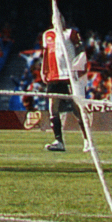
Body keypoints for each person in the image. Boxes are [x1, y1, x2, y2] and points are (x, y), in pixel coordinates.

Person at [37, 20, 89, 153]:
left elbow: (81, 51)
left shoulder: (70, 33)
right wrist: (44, 71)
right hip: (54, 77)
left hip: (69, 76)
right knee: (52, 107)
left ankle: (87, 140)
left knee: (77, 108)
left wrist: (79, 69)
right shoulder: (47, 34)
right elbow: (46, 54)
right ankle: (58, 141)